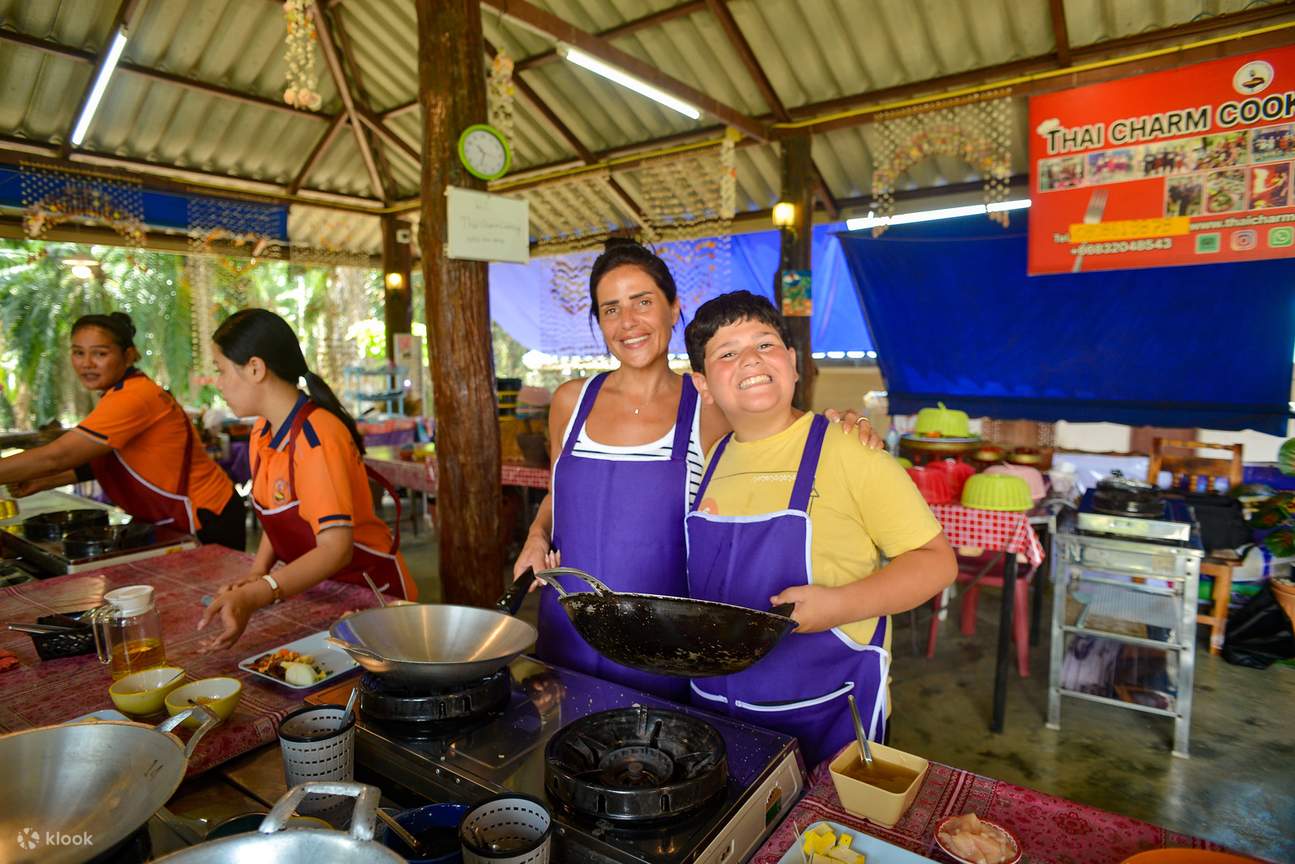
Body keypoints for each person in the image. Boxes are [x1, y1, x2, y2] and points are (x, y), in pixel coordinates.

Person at [512, 238, 881, 701]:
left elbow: (782, 440)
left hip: (664, 646)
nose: (628, 322)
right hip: (566, 627)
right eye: (611, 309)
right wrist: (536, 536)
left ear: (673, 309)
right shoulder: (571, 401)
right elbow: (557, 493)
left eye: (643, 302)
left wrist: (838, 425)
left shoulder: (707, 405)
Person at [682, 290, 956, 765]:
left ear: (792, 363)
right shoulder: (712, 457)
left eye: (764, 344)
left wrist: (839, 605)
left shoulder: (849, 449)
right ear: (702, 384)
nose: (750, 359)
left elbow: (936, 563)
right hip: (718, 711)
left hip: (830, 712)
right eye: (727, 353)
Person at [198, 309, 415, 649]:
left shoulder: (317, 436)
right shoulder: (262, 431)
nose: (219, 383)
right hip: (323, 588)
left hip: (370, 593)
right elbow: (279, 516)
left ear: (255, 368)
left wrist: (261, 592)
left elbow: (336, 549)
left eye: (221, 370)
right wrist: (257, 573)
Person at [0, 312, 245, 550]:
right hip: (176, 515)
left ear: (128, 355)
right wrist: (45, 481)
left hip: (206, 514)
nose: (87, 363)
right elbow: (108, 462)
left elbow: (58, 456)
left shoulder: (134, 396)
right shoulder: (119, 393)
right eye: (78, 352)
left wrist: (42, 474)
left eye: (100, 353)